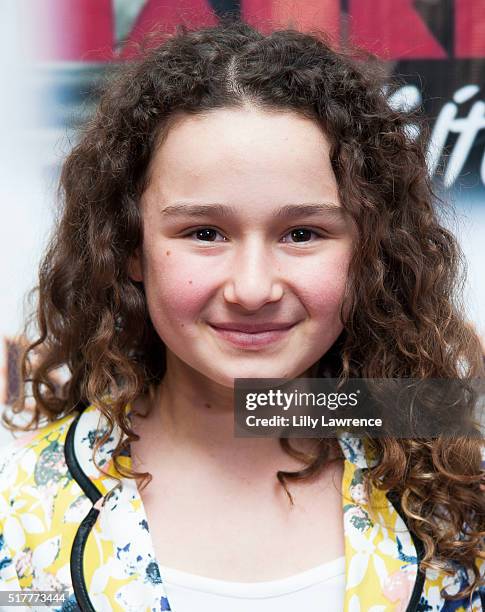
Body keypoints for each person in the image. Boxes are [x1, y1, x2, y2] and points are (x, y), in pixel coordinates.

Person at [0, 18, 484, 612]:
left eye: (302, 233)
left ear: (371, 250)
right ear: (129, 246)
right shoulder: (18, 511)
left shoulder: (460, 499)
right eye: (205, 232)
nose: (252, 288)